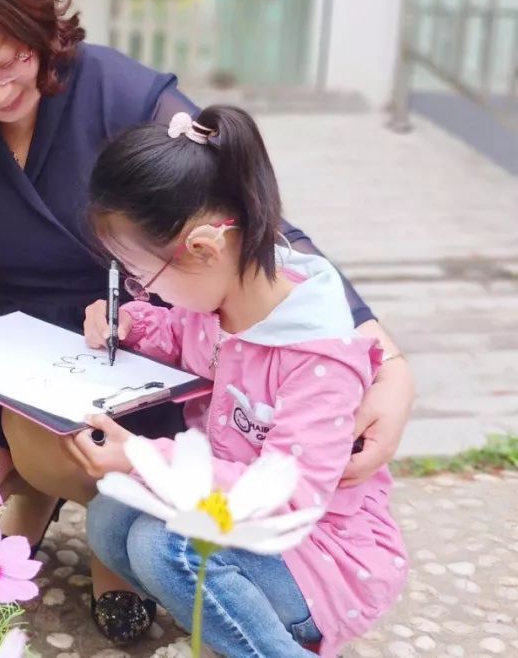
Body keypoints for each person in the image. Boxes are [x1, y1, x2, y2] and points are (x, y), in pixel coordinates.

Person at [0, 0, 414, 645]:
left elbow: (258, 228)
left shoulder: (122, 96)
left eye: (7, 58)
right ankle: (39, 495)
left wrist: (387, 361)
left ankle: (103, 541)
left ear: (30, 13)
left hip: (140, 353)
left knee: (59, 442)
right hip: (10, 355)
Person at [68, 106, 406, 656]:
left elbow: (289, 497)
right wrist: (132, 323)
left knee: (166, 547)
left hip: (319, 558)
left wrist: (146, 459)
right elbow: (182, 334)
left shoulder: (319, 357)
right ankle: (228, 619)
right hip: (245, 525)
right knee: (111, 516)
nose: (137, 286)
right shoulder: (222, 303)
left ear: (203, 249)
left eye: (140, 275)